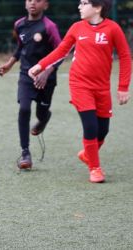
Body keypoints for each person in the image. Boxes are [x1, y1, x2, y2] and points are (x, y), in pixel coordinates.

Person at [28, 0, 131, 183]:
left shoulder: (113, 28)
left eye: (84, 3)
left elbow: (124, 56)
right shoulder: (76, 28)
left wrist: (123, 87)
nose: (79, 7)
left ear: (97, 7)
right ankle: (95, 168)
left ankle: (87, 154)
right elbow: (61, 51)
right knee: (90, 126)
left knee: (103, 130)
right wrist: (40, 65)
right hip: (79, 84)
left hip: (102, 87)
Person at [0, 0, 61, 169]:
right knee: (24, 109)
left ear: (45, 5)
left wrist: (47, 73)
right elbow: (21, 47)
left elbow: (61, 53)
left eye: (37, 0)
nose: (33, 3)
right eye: (29, 0)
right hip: (26, 75)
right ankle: (25, 152)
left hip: (46, 78)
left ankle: (44, 117)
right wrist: (9, 64)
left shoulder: (49, 27)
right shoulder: (19, 25)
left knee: (41, 112)